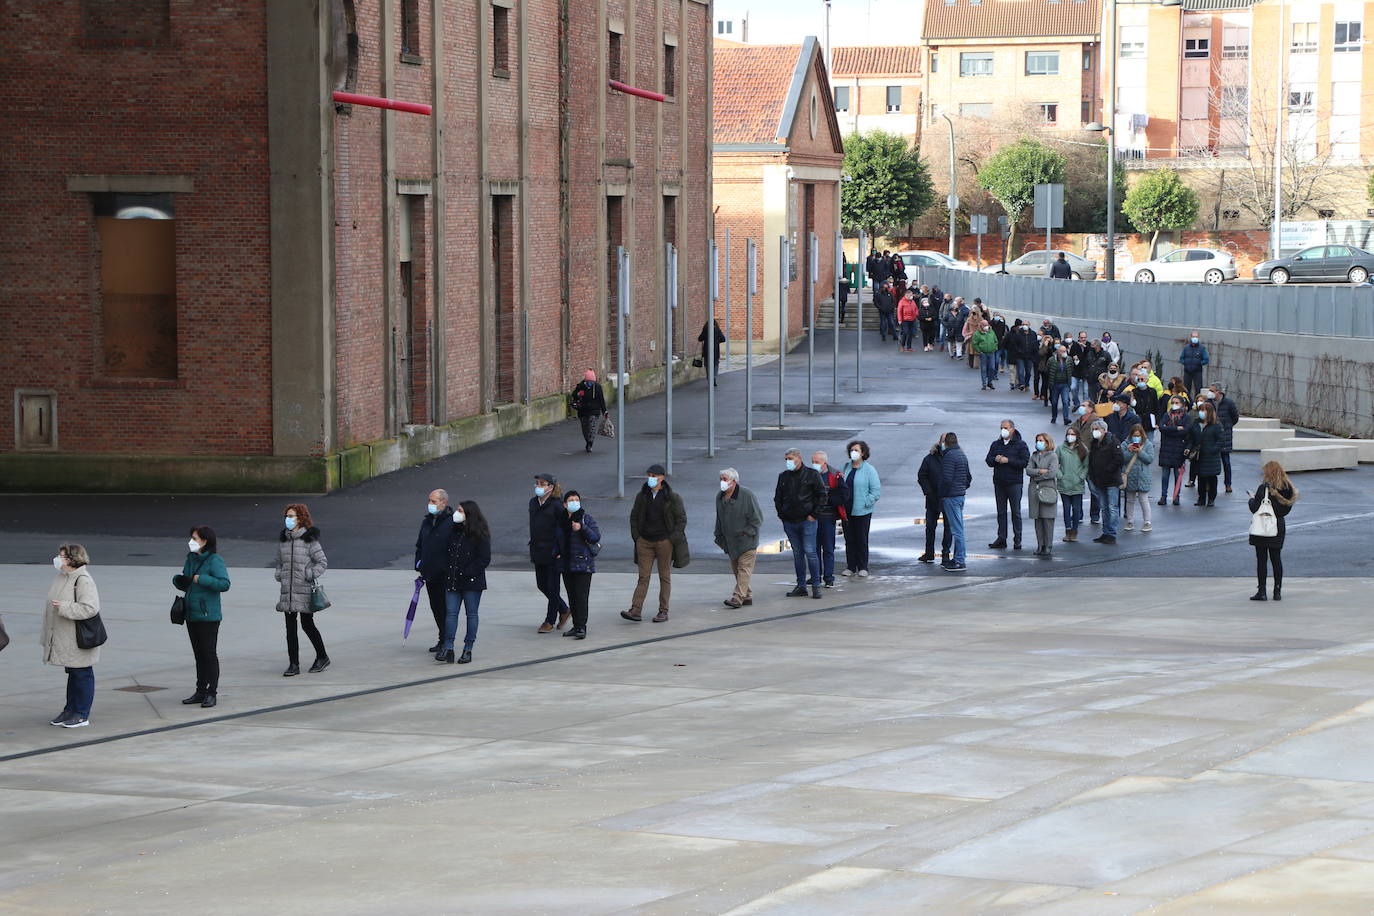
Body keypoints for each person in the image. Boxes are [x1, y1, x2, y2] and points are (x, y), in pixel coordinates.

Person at [42, 544, 101, 728]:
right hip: (65, 636)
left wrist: (64, 607)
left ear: (72, 559)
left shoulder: (83, 580)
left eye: (61, 556)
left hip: (78, 637)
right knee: (73, 673)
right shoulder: (62, 577)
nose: (58, 559)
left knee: (82, 673)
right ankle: (70, 709)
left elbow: (90, 608)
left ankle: (82, 714)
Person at [174, 526, 231, 708]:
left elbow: (224, 584)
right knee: (198, 655)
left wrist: (202, 579)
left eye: (195, 538)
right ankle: (200, 690)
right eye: (191, 538)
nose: (191, 541)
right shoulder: (191, 558)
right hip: (191, 614)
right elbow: (188, 582)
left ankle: (211, 692)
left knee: (209, 654)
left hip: (209, 616)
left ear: (205, 541)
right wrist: (179, 580)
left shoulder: (215, 560)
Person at [624, 463, 687, 623]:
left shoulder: (672, 497)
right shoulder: (642, 495)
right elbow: (634, 516)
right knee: (643, 576)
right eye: (649, 475)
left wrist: (672, 539)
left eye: (654, 476)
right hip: (644, 541)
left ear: (662, 478)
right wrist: (636, 537)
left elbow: (681, 520)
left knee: (664, 576)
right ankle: (635, 609)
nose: (651, 479)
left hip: (664, 542)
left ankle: (663, 611)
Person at [275, 503, 329, 676]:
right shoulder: (284, 540)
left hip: (304, 589)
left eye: (291, 516)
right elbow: (279, 562)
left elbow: (322, 562)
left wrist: (309, 574)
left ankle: (322, 657)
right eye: (286, 516)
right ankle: (293, 664)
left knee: (307, 625)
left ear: (300, 518)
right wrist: (279, 574)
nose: (288, 519)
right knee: (290, 629)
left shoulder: (309, 539)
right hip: (287, 591)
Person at [441, 499, 491, 660]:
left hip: (471, 582)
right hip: (453, 580)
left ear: (470, 514)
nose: (457, 513)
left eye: (461, 511)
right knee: (451, 614)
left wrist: (467, 572)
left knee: (471, 614)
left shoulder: (480, 534)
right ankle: (448, 647)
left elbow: (484, 559)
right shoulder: (453, 531)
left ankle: (468, 648)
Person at [775, 448, 826, 599]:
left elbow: (822, 495)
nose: (788, 462)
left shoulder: (811, 474)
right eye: (786, 459)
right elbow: (778, 497)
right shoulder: (783, 477)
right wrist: (782, 515)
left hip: (807, 521)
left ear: (799, 458)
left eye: (790, 458)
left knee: (810, 552)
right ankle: (801, 585)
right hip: (790, 521)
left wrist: (814, 514)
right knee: (798, 554)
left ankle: (816, 585)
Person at [1248, 461, 1298, 601]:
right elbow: (1285, 508)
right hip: (1278, 526)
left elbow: (1255, 508)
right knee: (1276, 559)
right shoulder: (1287, 489)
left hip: (1262, 527)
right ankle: (1277, 591)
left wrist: (1251, 500)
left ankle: (1262, 591)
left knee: (1262, 560)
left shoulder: (1263, 488)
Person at [715, 467, 763, 608]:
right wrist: (718, 535)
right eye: (721, 479)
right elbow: (719, 518)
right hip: (731, 542)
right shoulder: (720, 497)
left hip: (747, 541)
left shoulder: (747, 495)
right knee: (737, 570)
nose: (722, 482)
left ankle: (737, 597)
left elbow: (757, 519)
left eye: (725, 479)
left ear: (734, 482)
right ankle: (746, 595)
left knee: (744, 569)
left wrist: (746, 532)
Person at [415, 488, 457, 651]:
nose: (430, 504)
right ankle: (442, 638)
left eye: (433, 501)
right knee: (436, 607)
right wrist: (419, 563)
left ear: (444, 502)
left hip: (444, 574)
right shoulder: (427, 521)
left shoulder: (452, 522)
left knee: (446, 609)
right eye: (429, 501)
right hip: (429, 573)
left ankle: (447, 641)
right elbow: (420, 544)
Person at [529, 473, 569, 633]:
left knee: (553, 587)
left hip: (553, 552)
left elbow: (564, 530)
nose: (538, 486)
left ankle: (549, 620)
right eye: (537, 483)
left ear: (550, 487)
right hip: (538, 550)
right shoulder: (533, 503)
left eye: (542, 484)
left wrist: (560, 550)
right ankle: (564, 609)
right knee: (542, 585)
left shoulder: (557, 506)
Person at [555, 491, 598, 642]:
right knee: (572, 596)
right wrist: (556, 554)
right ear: (565, 504)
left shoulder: (586, 519)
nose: (574, 502)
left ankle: (582, 627)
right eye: (571, 500)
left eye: (577, 499)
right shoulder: (561, 521)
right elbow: (556, 539)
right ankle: (576, 625)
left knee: (581, 596)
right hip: (566, 565)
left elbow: (595, 537)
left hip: (583, 564)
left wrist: (582, 528)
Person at [986, 419, 1030, 549]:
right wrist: (995, 459)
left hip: (1014, 483)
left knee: (1015, 512)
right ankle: (1001, 538)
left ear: (1012, 429)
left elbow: (1024, 462)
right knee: (1001, 512)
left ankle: (1017, 539)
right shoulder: (996, 444)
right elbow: (988, 460)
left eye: (1005, 428)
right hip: (999, 482)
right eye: (1001, 428)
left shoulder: (1021, 444)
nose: (1003, 430)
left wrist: (1008, 460)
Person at [841, 440, 881, 577]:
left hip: (862, 511)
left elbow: (876, 491)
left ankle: (863, 566)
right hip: (847, 510)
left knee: (861, 539)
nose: (854, 452)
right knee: (849, 539)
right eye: (852, 450)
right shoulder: (846, 467)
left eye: (856, 450)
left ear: (863, 453)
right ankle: (851, 566)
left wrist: (866, 502)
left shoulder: (869, 470)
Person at [812, 450, 850, 587]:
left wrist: (827, 500)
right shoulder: (810, 475)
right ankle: (816, 575)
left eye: (817, 462)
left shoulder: (835, 475)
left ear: (824, 463)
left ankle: (828, 577)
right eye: (813, 462)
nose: (814, 464)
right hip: (813, 518)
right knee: (813, 549)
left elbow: (844, 494)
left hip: (828, 518)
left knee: (828, 548)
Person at [938, 432, 973, 570]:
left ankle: (959, 560)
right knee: (958, 528)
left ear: (945, 443)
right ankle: (957, 558)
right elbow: (968, 477)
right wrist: (961, 488)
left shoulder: (949, 456)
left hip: (951, 497)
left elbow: (946, 479)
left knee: (957, 530)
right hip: (959, 495)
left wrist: (942, 494)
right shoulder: (961, 454)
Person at [1086, 420, 1123, 545]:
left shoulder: (1113, 442)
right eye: (1093, 429)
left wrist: (1107, 470)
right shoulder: (1095, 443)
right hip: (1099, 480)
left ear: (1104, 430)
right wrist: (1092, 474)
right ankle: (1105, 532)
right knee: (1104, 508)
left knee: (1112, 507)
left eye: (1097, 429)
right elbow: (1091, 460)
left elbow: (1119, 459)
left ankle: (1112, 533)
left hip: (1111, 480)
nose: (1095, 431)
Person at [916, 440, 952, 564]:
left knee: (949, 527)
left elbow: (965, 477)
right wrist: (928, 492)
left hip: (949, 498)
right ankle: (929, 553)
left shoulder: (955, 457)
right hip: (933, 498)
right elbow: (922, 475)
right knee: (930, 526)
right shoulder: (930, 458)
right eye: (943, 440)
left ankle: (946, 554)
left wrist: (955, 491)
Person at [1027, 432, 1060, 557]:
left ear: (1047, 442)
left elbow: (1052, 473)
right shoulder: (1034, 455)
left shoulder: (1053, 456)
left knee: (1047, 520)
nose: (1039, 443)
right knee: (1038, 519)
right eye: (1037, 440)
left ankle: (1048, 545)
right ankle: (1040, 545)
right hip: (1034, 491)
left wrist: (1036, 476)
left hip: (1047, 490)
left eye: (1041, 440)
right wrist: (1040, 471)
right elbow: (1028, 470)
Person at [1157, 394, 1193, 506]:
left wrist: (1169, 430)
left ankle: (1176, 496)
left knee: (1178, 475)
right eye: (1173, 402)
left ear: (1182, 404)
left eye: (1177, 403)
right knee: (1165, 475)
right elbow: (1162, 428)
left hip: (1178, 449)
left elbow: (1185, 431)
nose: (1174, 405)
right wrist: (1176, 428)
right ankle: (1163, 496)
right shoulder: (1166, 415)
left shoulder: (1186, 417)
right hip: (1166, 449)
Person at [1119, 424, 1156, 533]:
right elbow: (1122, 459)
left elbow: (1149, 459)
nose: (1136, 438)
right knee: (1130, 500)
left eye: (1138, 436)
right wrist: (1129, 451)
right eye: (1134, 435)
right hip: (1130, 475)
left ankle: (1147, 522)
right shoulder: (1125, 444)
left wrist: (1140, 451)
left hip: (1143, 476)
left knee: (1143, 500)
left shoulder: (1148, 444)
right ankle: (1130, 521)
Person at [1056, 427, 1088, 542]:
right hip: (1064, 484)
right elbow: (1055, 464)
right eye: (1068, 434)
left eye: (1073, 434)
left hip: (1077, 484)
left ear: (1077, 436)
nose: (1070, 436)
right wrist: (1060, 476)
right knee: (1066, 508)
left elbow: (1086, 466)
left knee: (1076, 509)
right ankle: (1067, 530)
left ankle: (1074, 531)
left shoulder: (1083, 449)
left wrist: (1081, 477)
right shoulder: (1060, 449)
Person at [1192, 401, 1223, 507]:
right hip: (1200, 456)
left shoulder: (1216, 426)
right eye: (1200, 410)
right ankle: (1201, 498)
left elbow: (1220, 440)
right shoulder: (1197, 423)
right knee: (1201, 478)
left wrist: (1213, 450)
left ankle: (1211, 498)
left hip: (1211, 457)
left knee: (1211, 478)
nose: (1201, 413)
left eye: (1203, 410)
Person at [569, 370, 608, 452]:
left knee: (592, 426)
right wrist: (579, 394)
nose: (590, 384)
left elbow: (601, 400)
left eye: (592, 382)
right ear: (585, 381)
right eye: (588, 382)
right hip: (583, 411)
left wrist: (605, 411)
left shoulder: (597, 387)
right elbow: (574, 395)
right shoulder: (580, 386)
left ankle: (590, 443)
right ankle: (587, 441)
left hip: (594, 411)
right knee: (585, 428)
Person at [1211, 382, 1240, 493]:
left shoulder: (1229, 403)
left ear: (1219, 392)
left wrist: (1227, 426)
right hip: (1212, 435)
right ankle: (1210, 484)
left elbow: (1235, 417)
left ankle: (1228, 484)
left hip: (1225, 435)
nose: (1210, 393)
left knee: (1226, 461)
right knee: (1212, 461)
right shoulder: (1210, 403)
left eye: (1212, 391)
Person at [1046, 342, 1075, 424]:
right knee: (1054, 402)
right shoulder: (1051, 360)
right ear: (1058, 352)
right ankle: (1054, 417)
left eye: (1065, 351)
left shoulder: (1069, 360)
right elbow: (1047, 370)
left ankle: (1066, 418)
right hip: (1055, 384)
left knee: (1065, 401)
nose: (1064, 353)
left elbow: (1071, 369)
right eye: (1062, 351)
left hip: (1065, 384)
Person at [1180, 332, 1209, 398]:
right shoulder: (1186, 348)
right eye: (1193, 336)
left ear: (1198, 338)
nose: (1194, 338)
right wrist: (1186, 363)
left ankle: (1197, 403)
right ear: (1190, 337)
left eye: (1196, 337)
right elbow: (1181, 358)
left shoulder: (1202, 348)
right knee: (1186, 389)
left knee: (1198, 388)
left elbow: (1206, 359)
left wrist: (1199, 363)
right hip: (1187, 371)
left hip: (1197, 371)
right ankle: (1186, 401)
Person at [697, 319, 726, 386]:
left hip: (707, 351)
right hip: (715, 351)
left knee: (707, 365)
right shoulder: (717, 330)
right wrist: (717, 342)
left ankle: (709, 378)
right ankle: (714, 378)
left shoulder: (706, 330)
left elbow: (700, 339)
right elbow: (723, 339)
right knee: (715, 364)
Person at [973, 319, 1000, 390]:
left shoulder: (991, 332)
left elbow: (995, 340)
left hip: (991, 352)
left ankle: (990, 382)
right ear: (981, 326)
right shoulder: (977, 333)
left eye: (987, 325)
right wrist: (979, 350)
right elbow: (974, 343)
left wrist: (995, 348)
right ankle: (984, 384)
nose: (986, 326)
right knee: (984, 368)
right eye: (984, 325)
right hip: (983, 353)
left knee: (992, 367)